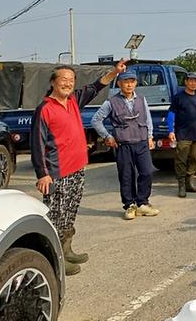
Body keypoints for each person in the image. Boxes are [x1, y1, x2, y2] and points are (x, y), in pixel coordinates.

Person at [31, 59, 125, 276]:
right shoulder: (44, 109)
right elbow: (36, 144)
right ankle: (55, 261)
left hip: (77, 167)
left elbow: (96, 86)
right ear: (53, 82)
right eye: (63, 79)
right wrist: (42, 174)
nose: (68, 83)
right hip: (57, 172)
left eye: (71, 80)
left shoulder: (73, 101)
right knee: (56, 216)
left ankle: (67, 250)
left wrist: (115, 72)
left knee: (70, 212)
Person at [91, 69, 159, 220]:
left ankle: (142, 203)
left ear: (136, 83)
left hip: (141, 142)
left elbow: (147, 119)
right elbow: (96, 120)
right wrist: (107, 136)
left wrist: (150, 137)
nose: (129, 85)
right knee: (126, 175)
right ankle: (129, 205)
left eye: (132, 81)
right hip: (123, 145)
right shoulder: (111, 102)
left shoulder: (141, 99)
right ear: (119, 83)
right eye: (125, 81)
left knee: (147, 172)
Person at [166, 71, 196, 198]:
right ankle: (181, 185)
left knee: (195, 158)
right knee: (181, 160)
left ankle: (189, 182)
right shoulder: (178, 97)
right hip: (183, 133)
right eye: (190, 80)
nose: (193, 83)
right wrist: (171, 130)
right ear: (186, 82)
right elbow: (171, 114)